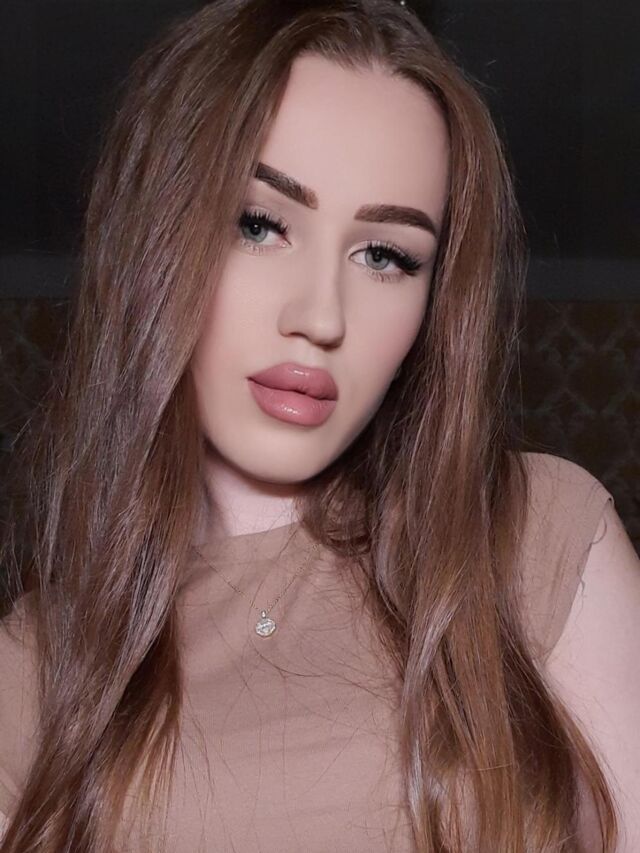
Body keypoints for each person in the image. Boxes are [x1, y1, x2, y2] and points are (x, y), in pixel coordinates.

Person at [0, 0, 638, 850]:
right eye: (259, 224)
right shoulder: (35, 666)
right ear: (154, 239)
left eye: (386, 255)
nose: (321, 315)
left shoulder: (537, 535)